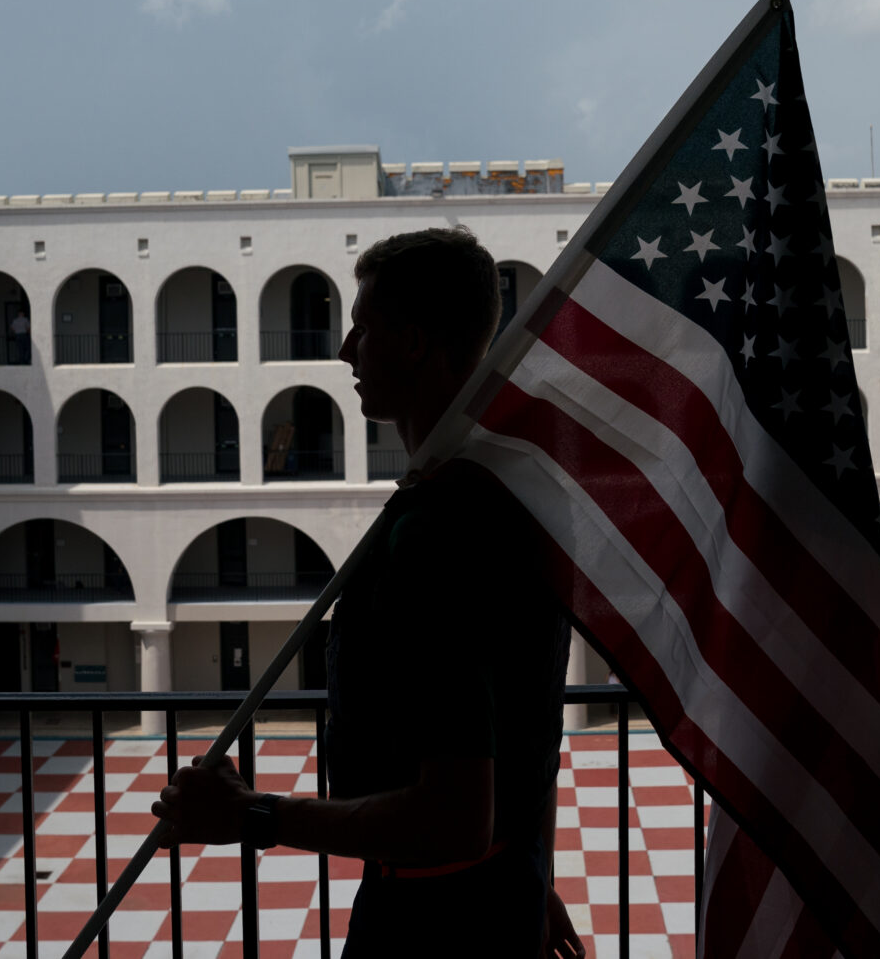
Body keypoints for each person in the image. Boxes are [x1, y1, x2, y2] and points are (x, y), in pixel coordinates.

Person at [153, 227, 581, 958]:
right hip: (497, 896)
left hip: (432, 922)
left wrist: (253, 813)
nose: (346, 351)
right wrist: (530, 876)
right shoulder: (518, 496)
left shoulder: (436, 533)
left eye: (363, 326)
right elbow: (529, 729)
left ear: (414, 341)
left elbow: (452, 815)